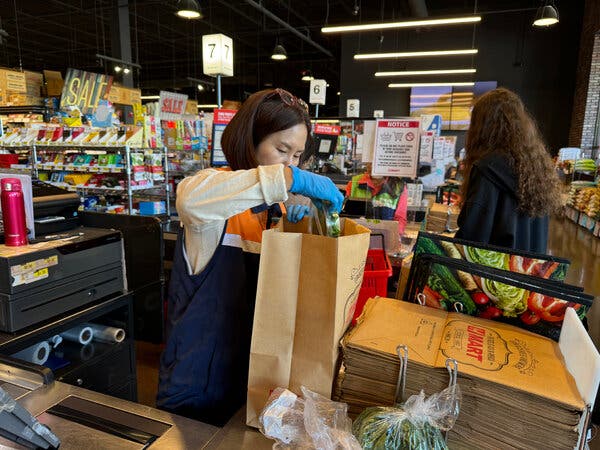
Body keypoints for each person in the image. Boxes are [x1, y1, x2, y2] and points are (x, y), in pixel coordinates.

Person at [156, 89, 343, 426]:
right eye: (281, 150)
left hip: (255, 384)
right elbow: (188, 200)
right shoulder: (212, 193)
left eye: (298, 156)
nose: (289, 163)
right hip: (198, 387)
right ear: (249, 142)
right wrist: (290, 178)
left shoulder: (279, 207)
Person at [454, 88, 562, 253]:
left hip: (493, 274)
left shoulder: (486, 168)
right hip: (527, 272)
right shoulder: (537, 169)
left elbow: (472, 238)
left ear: (481, 126)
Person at [345, 164, 408, 235]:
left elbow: (400, 219)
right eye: (370, 161)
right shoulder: (355, 182)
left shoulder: (398, 186)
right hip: (357, 237)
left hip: (383, 238)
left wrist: (393, 237)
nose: (371, 165)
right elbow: (346, 217)